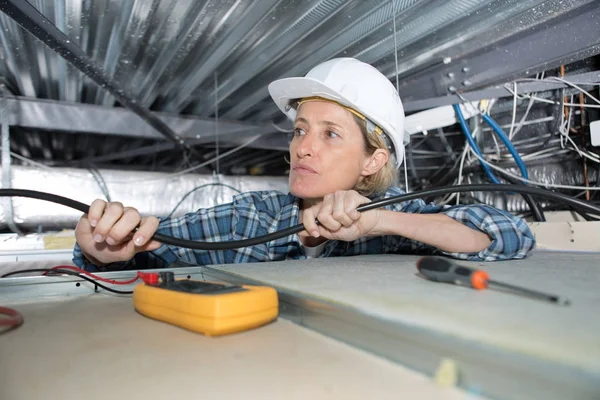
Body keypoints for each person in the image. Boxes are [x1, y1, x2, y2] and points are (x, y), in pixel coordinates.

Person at [72, 58, 535, 272]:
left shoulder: (397, 225)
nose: (301, 148)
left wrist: (380, 222)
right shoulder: (248, 219)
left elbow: (508, 234)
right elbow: (150, 249)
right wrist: (102, 249)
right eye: (299, 129)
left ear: (373, 159)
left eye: (330, 133)